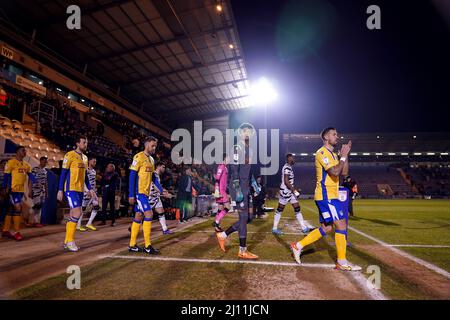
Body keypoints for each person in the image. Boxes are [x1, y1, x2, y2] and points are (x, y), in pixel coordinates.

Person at [290, 127, 361, 271]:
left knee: (327, 228)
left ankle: (297, 246)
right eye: (334, 134)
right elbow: (334, 171)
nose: (337, 136)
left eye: (337, 134)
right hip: (326, 196)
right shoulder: (321, 153)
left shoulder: (334, 155)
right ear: (326, 137)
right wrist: (341, 157)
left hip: (330, 196)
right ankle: (341, 262)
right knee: (341, 225)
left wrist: (344, 155)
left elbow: (344, 172)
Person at [215, 123, 259, 259]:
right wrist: (237, 188)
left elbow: (248, 170)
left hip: (246, 186)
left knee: (249, 217)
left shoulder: (250, 149)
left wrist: (254, 184)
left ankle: (223, 235)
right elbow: (234, 170)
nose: (247, 133)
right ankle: (242, 250)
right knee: (243, 217)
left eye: (249, 131)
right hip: (238, 187)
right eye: (244, 131)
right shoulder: (236, 148)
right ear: (240, 133)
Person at [57, 136, 97, 252]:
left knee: (73, 214)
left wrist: (90, 189)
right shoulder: (69, 155)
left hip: (80, 190)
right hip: (71, 189)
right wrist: (60, 190)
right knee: (77, 212)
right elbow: (63, 174)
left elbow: (85, 177)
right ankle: (70, 241)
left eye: (86, 142)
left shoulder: (85, 158)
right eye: (84, 142)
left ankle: (66, 241)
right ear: (77, 143)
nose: (86, 145)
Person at [128, 136, 161, 254]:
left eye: (155, 146)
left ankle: (132, 245)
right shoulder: (138, 157)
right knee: (149, 214)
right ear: (147, 145)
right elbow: (132, 176)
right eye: (153, 145)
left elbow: (153, 178)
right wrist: (131, 194)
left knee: (138, 216)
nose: (154, 148)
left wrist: (162, 190)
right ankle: (148, 245)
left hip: (145, 193)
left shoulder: (151, 160)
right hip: (139, 193)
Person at [2, 146, 37, 241]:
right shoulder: (11, 162)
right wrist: (4, 188)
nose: (25, 152)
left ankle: (5, 230)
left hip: (21, 191)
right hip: (12, 190)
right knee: (18, 209)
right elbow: (6, 176)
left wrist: (35, 182)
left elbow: (31, 176)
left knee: (11, 209)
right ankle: (16, 232)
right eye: (23, 150)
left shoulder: (26, 165)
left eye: (25, 151)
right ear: (17, 152)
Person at [272, 153, 310, 235]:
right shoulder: (287, 168)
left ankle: (304, 227)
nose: (294, 159)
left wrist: (293, 189)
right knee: (280, 209)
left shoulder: (289, 167)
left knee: (297, 208)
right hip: (286, 191)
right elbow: (286, 181)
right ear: (288, 159)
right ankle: (274, 228)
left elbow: (289, 181)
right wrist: (294, 190)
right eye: (292, 158)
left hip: (289, 191)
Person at [149, 162, 173, 235]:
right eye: (163, 167)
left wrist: (164, 191)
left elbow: (158, 186)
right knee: (144, 214)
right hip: (150, 197)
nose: (164, 169)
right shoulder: (154, 174)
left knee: (161, 211)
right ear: (158, 166)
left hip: (156, 197)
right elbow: (155, 187)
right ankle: (134, 225)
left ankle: (165, 229)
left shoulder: (157, 175)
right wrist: (165, 193)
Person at [77, 156, 100, 231]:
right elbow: (83, 181)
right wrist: (86, 191)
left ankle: (89, 223)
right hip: (86, 192)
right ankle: (78, 225)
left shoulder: (94, 171)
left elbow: (94, 182)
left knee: (96, 206)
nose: (95, 163)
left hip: (92, 192)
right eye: (94, 161)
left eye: (96, 162)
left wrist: (94, 190)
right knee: (82, 208)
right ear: (89, 161)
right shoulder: (85, 170)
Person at [28, 156, 48, 228]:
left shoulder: (45, 171)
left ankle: (35, 222)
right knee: (37, 205)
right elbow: (30, 180)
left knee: (39, 207)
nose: (45, 163)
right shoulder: (35, 169)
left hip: (42, 191)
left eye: (46, 162)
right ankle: (32, 220)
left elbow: (45, 182)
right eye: (44, 161)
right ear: (40, 161)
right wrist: (30, 190)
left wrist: (46, 192)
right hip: (35, 190)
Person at [212, 153, 230, 232]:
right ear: (224, 158)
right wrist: (216, 190)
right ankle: (216, 222)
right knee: (228, 207)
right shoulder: (221, 166)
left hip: (222, 190)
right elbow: (217, 179)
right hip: (220, 191)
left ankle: (217, 226)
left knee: (220, 209)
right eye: (228, 158)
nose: (229, 159)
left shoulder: (225, 167)